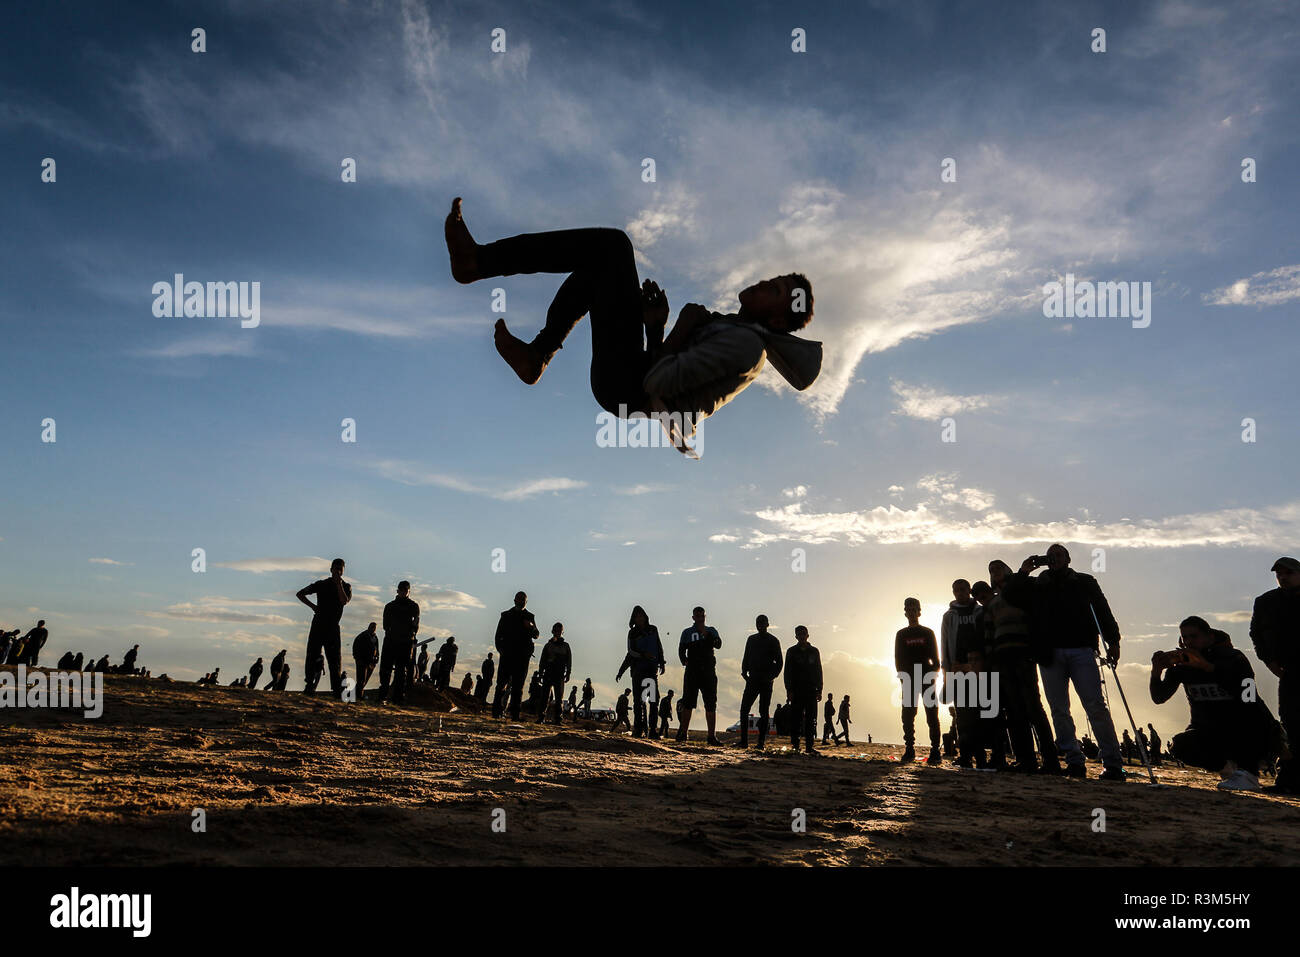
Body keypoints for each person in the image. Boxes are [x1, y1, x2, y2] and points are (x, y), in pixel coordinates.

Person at [443, 198, 823, 458]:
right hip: (627, 384)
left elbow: (656, 384)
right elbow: (663, 369)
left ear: (776, 319)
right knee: (598, 267)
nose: (762, 283)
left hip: (627, 389)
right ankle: (535, 355)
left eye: (773, 289)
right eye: (772, 279)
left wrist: (674, 328)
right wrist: (654, 327)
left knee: (614, 246)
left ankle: (477, 262)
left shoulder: (746, 348)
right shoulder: (737, 333)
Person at [1013, 545, 1127, 781]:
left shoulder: (1084, 581)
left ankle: (1113, 763)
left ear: (1068, 558)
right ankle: (1074, 761)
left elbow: (1103, 610)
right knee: (1059, 709)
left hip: (1082, 649)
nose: (1054, 559)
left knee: (1095, 705)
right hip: (1049, 653)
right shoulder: (1037, 585)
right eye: (1050, 556)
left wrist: (1113, 640)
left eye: (1059, 555)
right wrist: (1024, 571)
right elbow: (1011, 596)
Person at [1152, 616, 1283, 791]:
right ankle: (1228, 769)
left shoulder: (1234, 657)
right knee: (1181, 745)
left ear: (1210, 637)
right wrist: (1156, 671)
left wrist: (1208, 668)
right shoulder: (1183, 665)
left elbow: (1249, 695)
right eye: (1185, 638)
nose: (1189, 642)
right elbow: (1159, 697)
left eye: (1194, 636)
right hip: (1207, 729)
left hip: (1244, 725)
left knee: (1250, 720)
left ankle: (1249, 773)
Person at [982, 562, 1062, 774]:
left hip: (1023, 655)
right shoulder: (992, 604)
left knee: (1033, 708)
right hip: (1003, 658)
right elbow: (989, 635)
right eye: (991, 570)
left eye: (999, 568)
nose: (995, 572)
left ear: (1008, 571)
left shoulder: (1021, 593)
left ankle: (1050, 759)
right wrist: (991, 662)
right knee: (1015, 711)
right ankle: (1026, 759)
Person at [1250, 556, 1300, 793]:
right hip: (1289, 671)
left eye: (1288, 572)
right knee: (1290, 722)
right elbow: (1256, 634)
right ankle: (1289, 780)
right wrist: (1268, 661)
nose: (1282, 577)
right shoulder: (1266, 602)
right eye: (1279, 573)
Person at [941, 579, 988, 769]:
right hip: (957, 669)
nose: (960, 592)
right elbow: (944, 644)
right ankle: (966, 755)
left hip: (979, 669)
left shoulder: (980, 611)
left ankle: (981, 755)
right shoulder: (948, 616)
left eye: (963, 589)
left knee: (980, 713)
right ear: (953, 592)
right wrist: (945, 671)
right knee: (962, 715)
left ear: (969, 591)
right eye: (956, 590)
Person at [895, 597, 943, 764]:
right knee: (907, 715)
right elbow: (898, 659)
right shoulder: (901, 634)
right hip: (908, 678)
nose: (911, 611)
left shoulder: (927, 632)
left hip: (926, 677)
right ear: (905, 612)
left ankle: (935, 750)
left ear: (919, 611)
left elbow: (936, 659)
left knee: (932, 714)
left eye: (914, 608)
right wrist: (903, 677)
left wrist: (932, 673)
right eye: (908, 609)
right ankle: (909, 748)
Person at [296, 559, 352, 696]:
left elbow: (344, 601)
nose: (338, 571)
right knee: (312, 655)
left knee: (334, 659)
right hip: (318, 624)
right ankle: (309, 684)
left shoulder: (346, 586)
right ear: (331, 569)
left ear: (343, 570)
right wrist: (313, 607)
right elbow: (300, 594)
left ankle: (336, 689)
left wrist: (338, 583)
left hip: (333, 626)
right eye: (336, 568)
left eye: (340, 568)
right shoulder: (321, 584)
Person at [676, 607, 723, 744]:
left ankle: (711, 736)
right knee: (688, 702)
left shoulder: (712, 630)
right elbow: (681, 649)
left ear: (705, 616)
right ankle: (683, 733)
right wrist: (683, 660)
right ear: (693, 617)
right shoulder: (687, 632)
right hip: (692, 672)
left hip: (708, 671)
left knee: (710, 703)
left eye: (702, 615)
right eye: (697, 616)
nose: (700, 618)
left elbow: (719, 644)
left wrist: (707, 634)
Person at [738, 615, 783, 749]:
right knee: (744, 709)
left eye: (762, 623)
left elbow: (779, 662)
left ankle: (761, 743)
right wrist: (744, 671)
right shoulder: (751, 639)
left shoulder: (773, 640)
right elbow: (746, 656)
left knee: (764, 711)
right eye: (758, 623)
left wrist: (771, 676)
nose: (760, 625)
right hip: (752, 679)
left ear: (767, 624)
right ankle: (744, 742)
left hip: (766, 681)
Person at [493, 592, 539, 720]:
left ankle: (515, 714)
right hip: (507, 655)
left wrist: (530, 627)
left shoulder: (530, 616)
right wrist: (501, 650)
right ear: (514, 600)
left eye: (523, 600)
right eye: (519, 599)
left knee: (518, 687)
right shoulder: (506, 615)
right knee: (501, 684)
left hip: (522, 658)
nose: (521, 602)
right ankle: (497, 712)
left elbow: (536, 634)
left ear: (526, 601)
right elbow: (498, 635)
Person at [624, 606, 666, 738]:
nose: (640, 618)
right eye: (637, 616)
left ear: (645, 616)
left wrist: (662, 662)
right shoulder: (632, 633)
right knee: (639, 700)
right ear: (634, 618)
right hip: (638, 670)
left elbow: (659, 646)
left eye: (642, 615)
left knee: (653, 700)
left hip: (651, 670)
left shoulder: (653, 629)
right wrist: (643, 655)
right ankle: (638, 728)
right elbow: (630, 651)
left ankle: (652, 730)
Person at [379, 581, 420, 704]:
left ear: (409, 591)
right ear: (398, 591)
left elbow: (416, 624)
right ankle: (383, 696)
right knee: (385, 670)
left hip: (405, 643)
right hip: (391, 641)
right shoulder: (390, 606)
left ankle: (398, 697)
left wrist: (411, 635)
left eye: (405, 590)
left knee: (401, 671)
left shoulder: (413, 606)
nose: (403, 592)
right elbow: (385, 625)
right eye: (401, 590)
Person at [784, 626, 822, 754]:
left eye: (803, 634)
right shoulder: (791, 651)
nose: (801, 636)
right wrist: (789, 690)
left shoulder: (814, 652)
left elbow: (818, 670)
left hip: (811, 690)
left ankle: (809, 746)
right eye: (799, 634)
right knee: (796, 719)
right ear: (796, 636)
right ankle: (795, 745)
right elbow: (787, 672)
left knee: (811, 719)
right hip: (796, 690)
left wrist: (819, 689)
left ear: (807, 635)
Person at [537, 624, 573, 724]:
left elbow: (569, 661)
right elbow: (542, 661)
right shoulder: (548, 646)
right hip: (548, 673)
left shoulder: (566, 646)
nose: (558, 632)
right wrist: (540, 673)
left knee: (559, 698)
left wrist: (568, 673)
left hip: (559, 674)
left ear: (562, 632)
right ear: (552, 631)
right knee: (544, 697)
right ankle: (541, 717)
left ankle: (558, 719)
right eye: (556, 630)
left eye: (559, 631)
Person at [352, 623, 379, 697]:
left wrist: (377, 658)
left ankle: (357, 694)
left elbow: (377, 648)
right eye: (372, 627)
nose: (373, 628)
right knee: (361, 679)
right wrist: (357, 657)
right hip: (362, 661)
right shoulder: (363, 636)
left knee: (365, 679)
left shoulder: (375, 637)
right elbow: (356, 646)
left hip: (371, 662)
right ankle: (358, 695)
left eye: (374, 627)